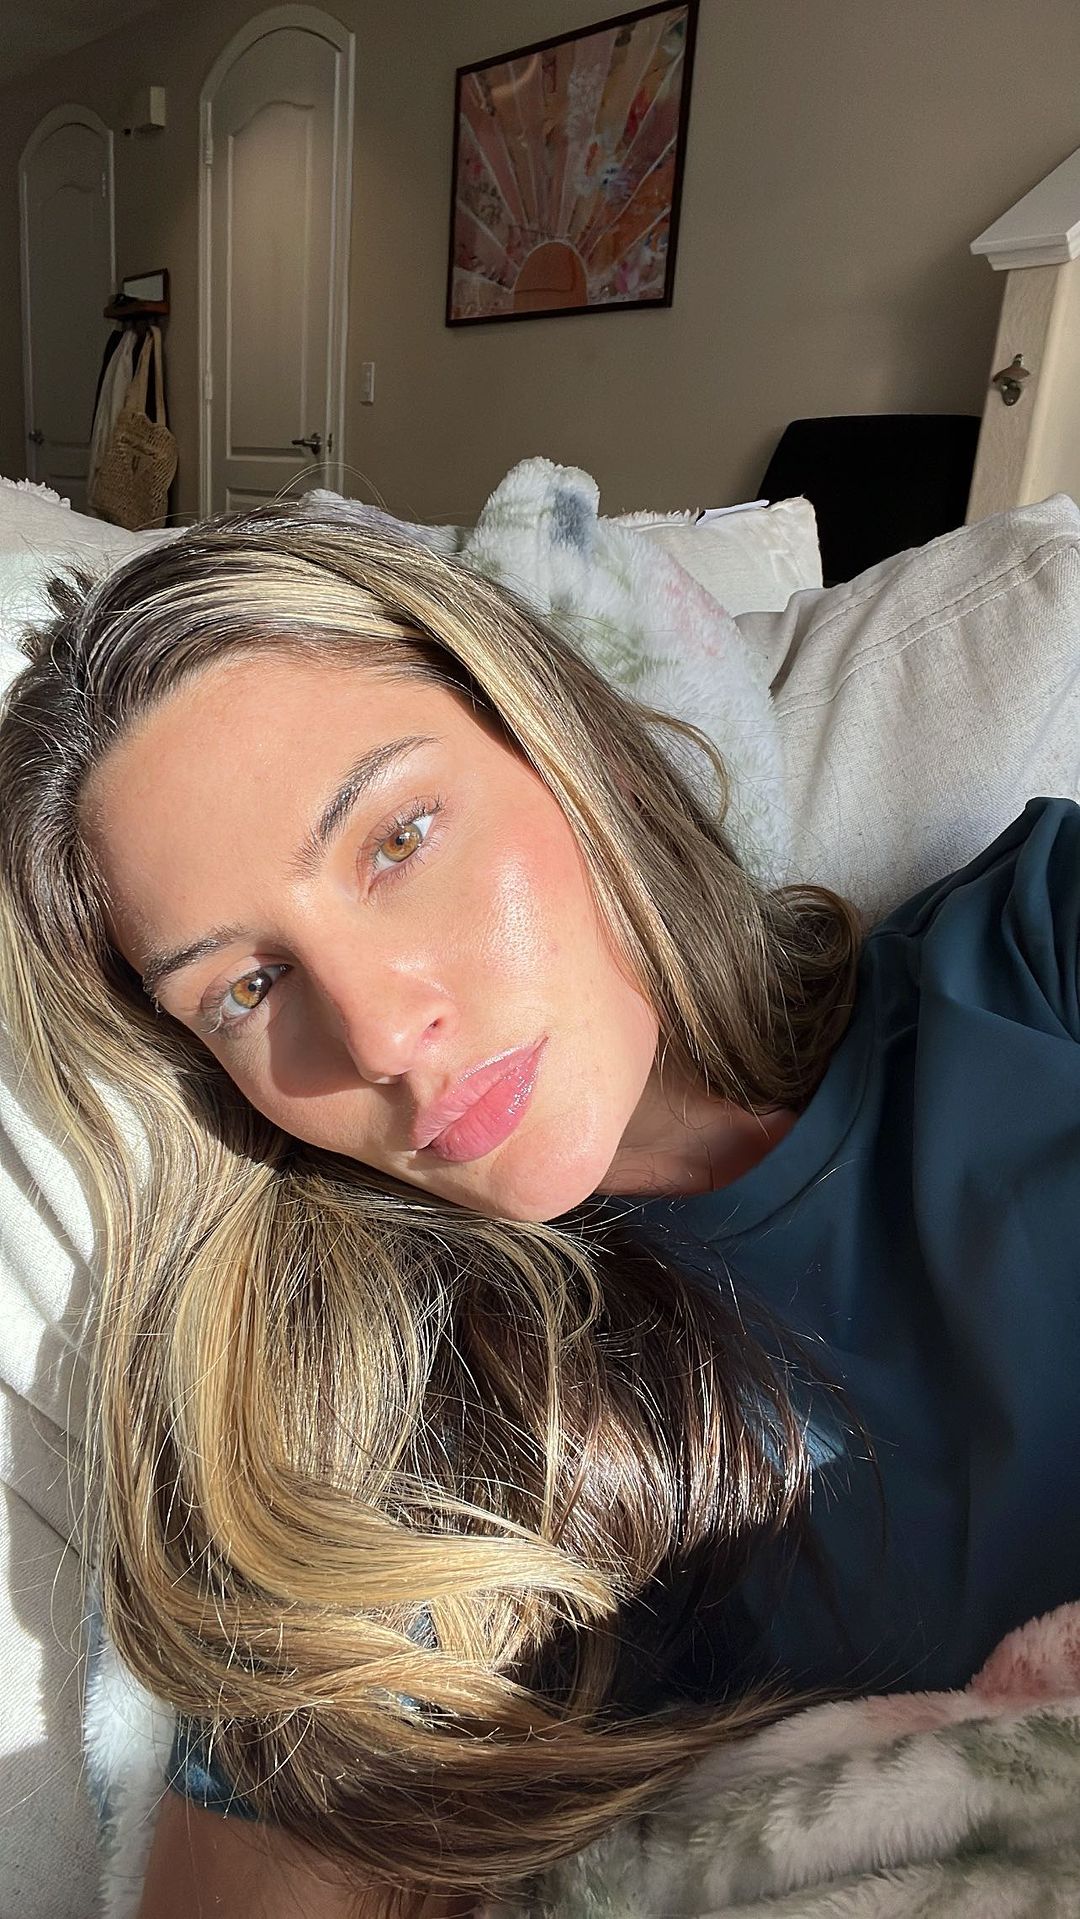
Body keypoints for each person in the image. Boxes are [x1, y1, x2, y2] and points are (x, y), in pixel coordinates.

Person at [0, 501, 1077, 1917]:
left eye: (398, 839)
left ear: (562, 748)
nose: (381, 1036)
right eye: (247, 990)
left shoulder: (1035, 953)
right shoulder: (376, 1419)